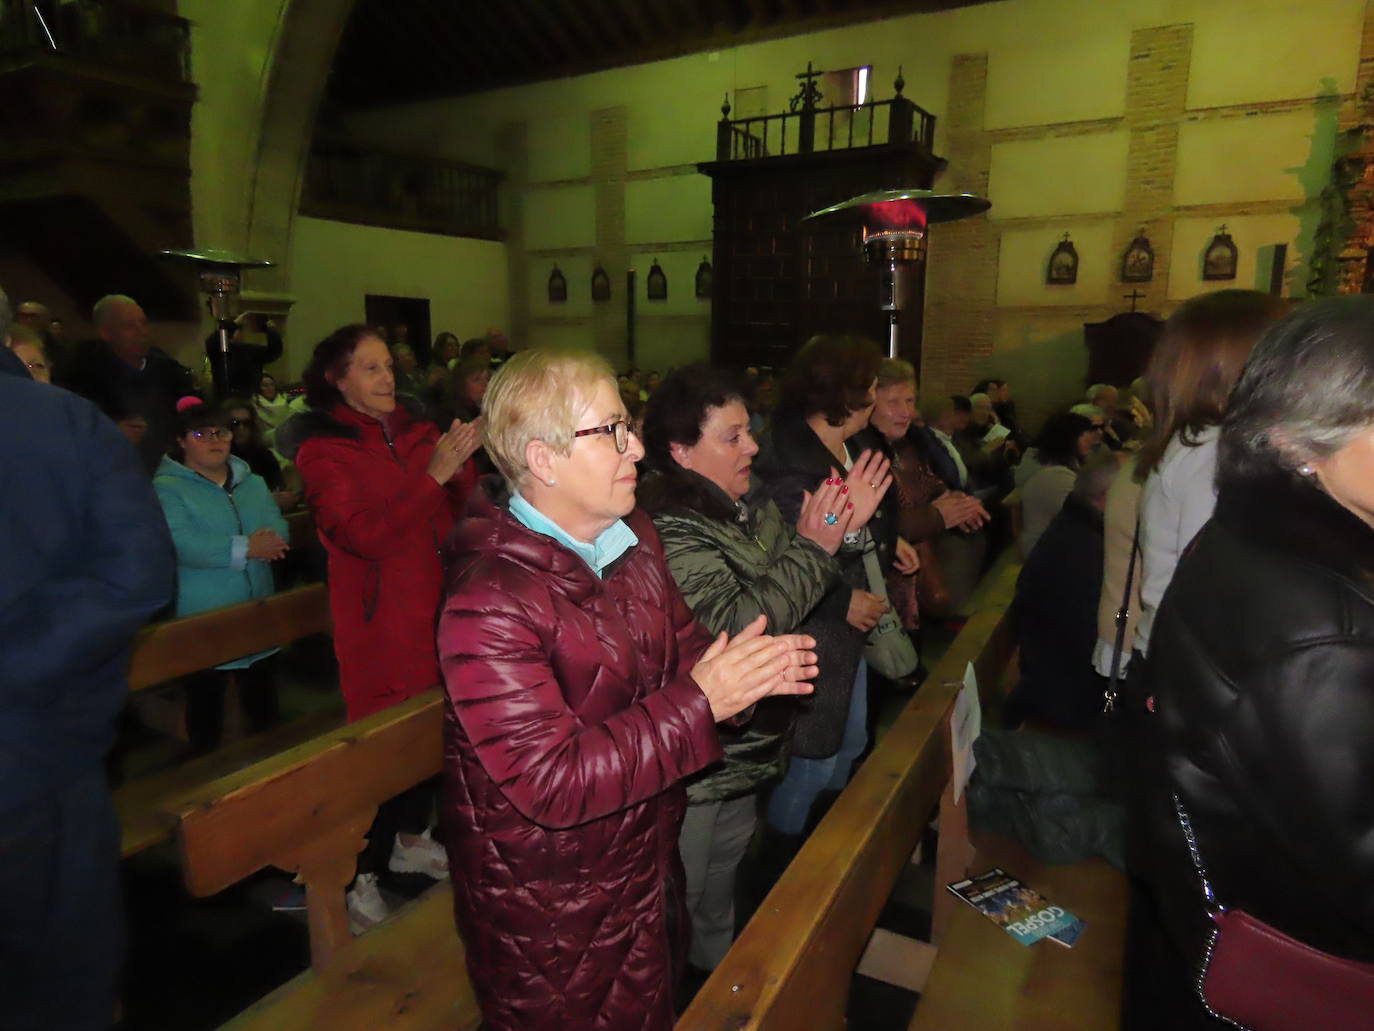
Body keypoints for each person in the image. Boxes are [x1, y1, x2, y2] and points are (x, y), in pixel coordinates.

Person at [437, 350, 818, 1031]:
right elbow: (550, 782)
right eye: (611, 430)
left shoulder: (632, 537)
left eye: (630, 426)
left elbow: (685, 651)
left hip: (642, 862)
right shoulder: (489, 603)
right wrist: (705, 700)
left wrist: (743, 677)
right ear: (543, 459)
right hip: (550, 906)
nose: (637, 447)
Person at [1135, 296, 1374, 1028]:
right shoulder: (1318, 631)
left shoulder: (1250, 530)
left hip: (1229, 904)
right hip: (1306, 953)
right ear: (1300, 442)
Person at [639, 364, 864, 974]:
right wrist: (816, 546)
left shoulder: (748, 504)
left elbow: (787, 588)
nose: (754, 446)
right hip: (696, 760)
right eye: (733, 436)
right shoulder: (671, 526)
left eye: (750, 431)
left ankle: (726, 994)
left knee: (718, 893)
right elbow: (741, 624)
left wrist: (837, 537)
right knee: (674, 904)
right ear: (683, 452)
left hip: (744, 745)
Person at [0, 287, 174, 1030]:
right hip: (42, 746)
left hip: (39, 745)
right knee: (62, 977)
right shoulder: (65, 421)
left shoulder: (56, 419)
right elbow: (136, 573)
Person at [281, 324, 482, 932]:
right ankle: (357, 874)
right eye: (368, 368)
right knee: (380, 750)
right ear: (337, 381)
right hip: (381, 624)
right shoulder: (324, 450)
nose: (387, 376)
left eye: (387, 364)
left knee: (434, 738)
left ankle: (409, 838)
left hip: (441, 609)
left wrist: (462, 466)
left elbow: (460, 507)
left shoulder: (418, 431)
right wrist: (434, 476)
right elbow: (362, 536)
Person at [754, 335, 893, 843]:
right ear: (846, 392)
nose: (877, 394)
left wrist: (883, 540)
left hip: (846, 625)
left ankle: (823, 847)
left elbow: (860, 518)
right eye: (872, 385)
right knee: (813, 758)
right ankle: (783, 863)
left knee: (850, 742)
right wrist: (843, 595)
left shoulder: (852, 443)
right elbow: (783, 552)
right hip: (815, 625)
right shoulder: (787, 458)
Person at [1132, 290, 1287, 660]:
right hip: (1195, 662)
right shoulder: (1214, 453)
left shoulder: (1203, 442)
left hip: (1185, 654)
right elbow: (1213, 590)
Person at [153, 401, 290, 754]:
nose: (215, 440)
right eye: (202, 434)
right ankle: (208, 786)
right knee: (206, 707)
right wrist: (247, 548)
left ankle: (276, 779)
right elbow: (181, 544)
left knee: (264, 703)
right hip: (205, 615)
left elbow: (277, 522)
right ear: (181, 441)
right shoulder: (168, 487)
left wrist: (274, 540)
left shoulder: (253, 481)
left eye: (222, 432)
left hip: (257, 607)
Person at [868, 359, 987, 630]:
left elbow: (929, 482)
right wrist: (937, 515)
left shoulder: (905, 445)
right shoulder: (861, 453)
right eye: (894, 402)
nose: (906, 412)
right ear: (868, 403)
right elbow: (866, 522)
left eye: (910, 401)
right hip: (880, 587)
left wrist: (958, 502)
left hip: (916, 575)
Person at [1007, 451, 1122, 731]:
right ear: (1109, 496)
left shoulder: (1079, 527)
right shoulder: (1085, 550)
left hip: (1058, 688)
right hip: (1067, 707)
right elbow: (1101, 644)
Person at [61, 294, 196, 473]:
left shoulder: (168, 369)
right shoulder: (83, 375)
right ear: (106, 333)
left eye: (143, 323)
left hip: (171, 472)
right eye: (129, 326)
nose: (141, 331)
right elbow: (71, 428)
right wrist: (109, 431)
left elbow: (193, 414)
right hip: (114, 472)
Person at [1019, 412, 1097, 558]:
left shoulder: (1068, 465)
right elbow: (1084, 516)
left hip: (1058, 542)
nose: (1091, 439)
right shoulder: (1054, 476)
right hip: (1044, 552)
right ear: (1068, 438)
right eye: (1084, 434)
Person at [225, 398, 299, 511]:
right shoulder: (219, 459)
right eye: (235, 423)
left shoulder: (264, 455)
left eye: (247, 423)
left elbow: (279, 488)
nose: (241, 428)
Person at [202, 313, 283, 398]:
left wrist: (270, 330)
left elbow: (274, 352)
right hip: (225, 397)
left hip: (249, 396)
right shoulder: (218, 351)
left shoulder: (250, 350)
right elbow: (211, 342)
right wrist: (234, 324)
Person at [252, 372, 293, 445]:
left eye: (272, 385)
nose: (269, 388)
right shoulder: (253, 406)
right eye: (265, 385)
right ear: (258, 387)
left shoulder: (288, 403)